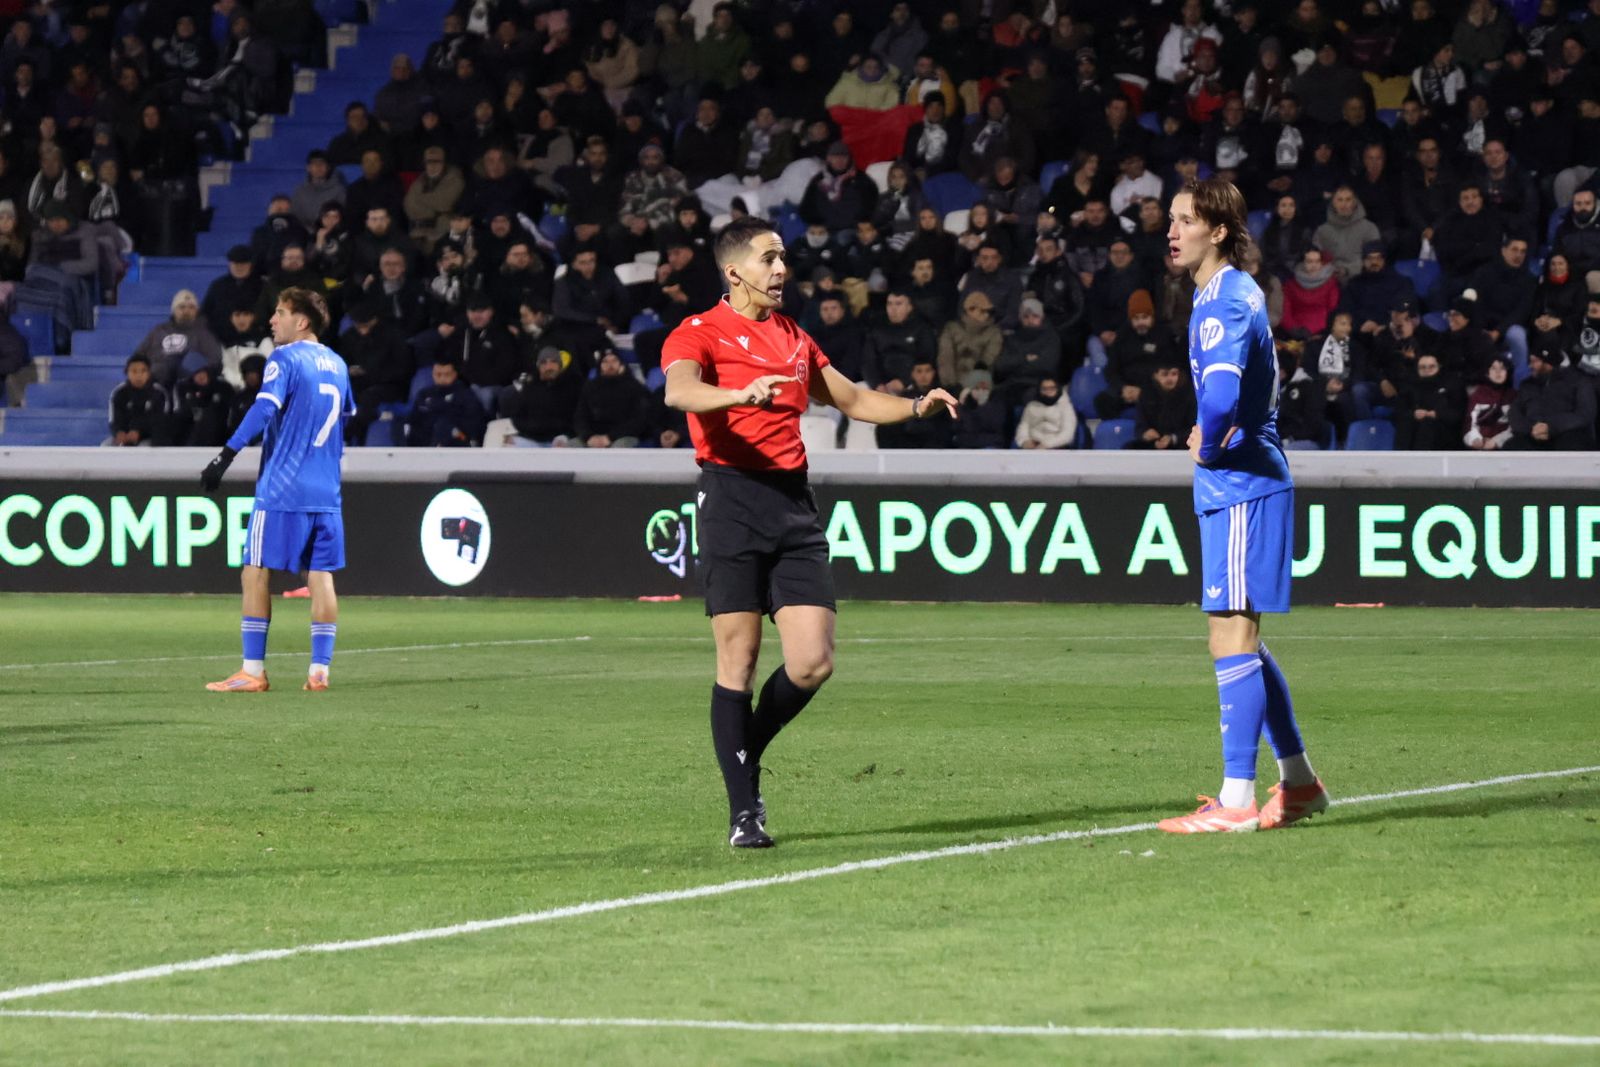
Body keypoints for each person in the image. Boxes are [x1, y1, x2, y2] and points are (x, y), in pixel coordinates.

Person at [661, 216, 957, 848]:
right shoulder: (698, 332)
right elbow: (680, 392)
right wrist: (742, 394)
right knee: (736, 661)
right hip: (731, 502)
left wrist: (914, 406)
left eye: (784, 258)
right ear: (733, 270)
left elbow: (849, 399)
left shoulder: (795, 338)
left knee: (813, 661)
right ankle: (745, 813)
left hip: (793, 507)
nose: (782, 270)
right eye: (769, 259)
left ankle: (745, 748)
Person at [1159, 177, 1327, 835]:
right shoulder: (1224, 294)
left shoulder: (1222, 304)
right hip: (1246, 484)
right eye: (1171, 220)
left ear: (1219, 230)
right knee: (1242, 637)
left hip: (1241, 486)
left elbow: (1224, 400)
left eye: (1185, 220)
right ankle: (1300, 780)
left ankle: (1236, 800)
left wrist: (1209, 440)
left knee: (1230, 631)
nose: (1172, 231)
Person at [199, 288, 354, 693]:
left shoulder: (284, 358)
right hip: (328, 489)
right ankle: (319, 673)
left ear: (301, 322)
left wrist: (226, 455)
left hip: (284, 486)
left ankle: (253, 671)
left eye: (280, 313)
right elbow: (344, 419)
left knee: (254, 571)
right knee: (321, 576)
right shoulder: (337, 364)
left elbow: (264, 407)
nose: (272, 320)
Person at [110, 354, 168, 446]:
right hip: (126, 436)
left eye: (143, 371)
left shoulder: (158, 393)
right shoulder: (119, 393)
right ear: (127, 373)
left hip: (151, 438)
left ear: (149, 373)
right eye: (134, 371)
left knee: (144, 447)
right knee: (106, 446)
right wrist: (119, 432)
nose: (139, 375)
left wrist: (139, 432)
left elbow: (160, 421)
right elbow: (115, 420)